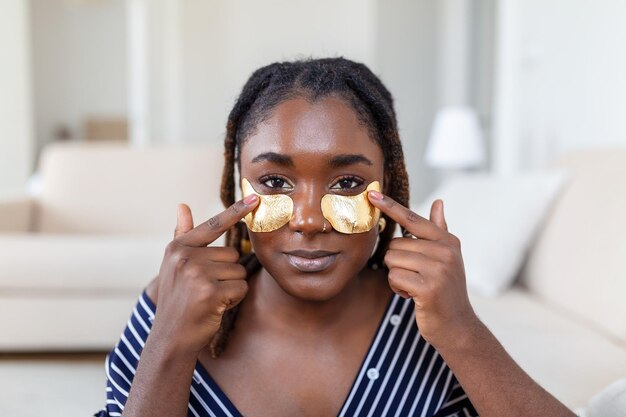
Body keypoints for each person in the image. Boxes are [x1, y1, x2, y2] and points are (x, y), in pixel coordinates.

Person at [95, 57, 576, 417]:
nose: (307, 221)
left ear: (387, 188)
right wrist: (170, 344)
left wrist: (463, 331)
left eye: (346, 183)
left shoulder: (431, 322)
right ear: (235, 187)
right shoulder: (173, 306)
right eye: (275, 182)